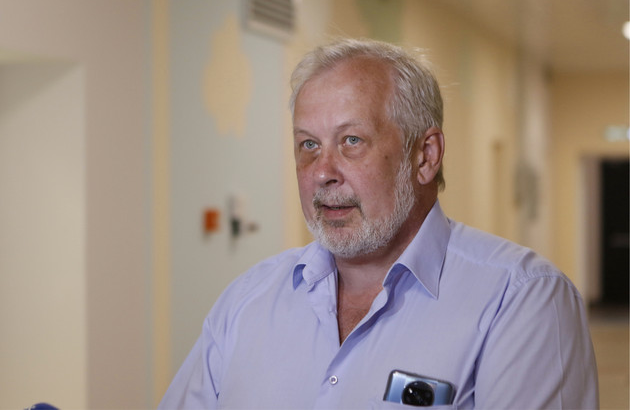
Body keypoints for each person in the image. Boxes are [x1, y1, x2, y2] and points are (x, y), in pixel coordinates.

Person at [158, 38, 598, 409]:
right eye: (308, 145)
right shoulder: (246, 302)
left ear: (425, 156)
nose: (322, 171)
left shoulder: (522, 300)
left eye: (351, 141)